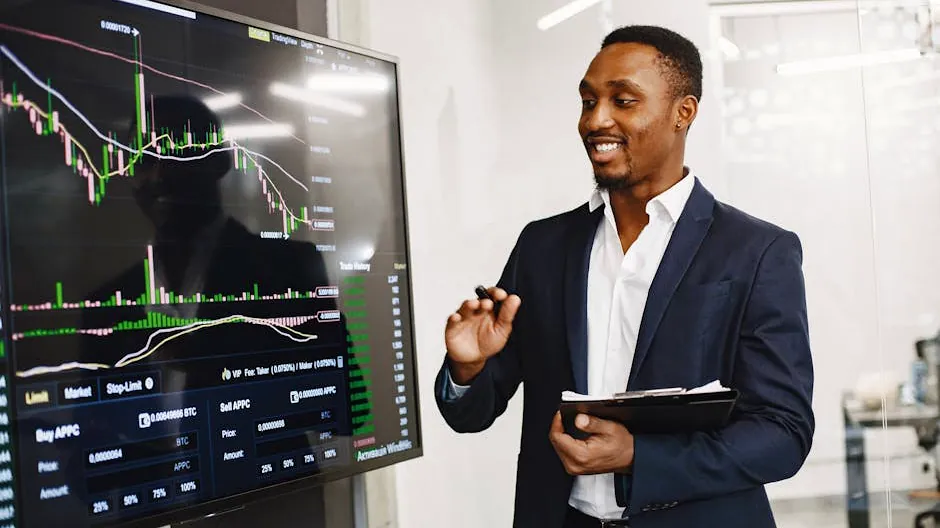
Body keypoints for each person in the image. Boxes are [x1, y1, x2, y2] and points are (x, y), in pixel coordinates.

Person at [435, 25, 814, 528]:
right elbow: (472, 413)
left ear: (684, 113)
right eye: (587, 101)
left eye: (623, 100)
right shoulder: (543, 247)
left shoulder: (758, 251)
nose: (596, 120)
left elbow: (782, 433)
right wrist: (467, 368)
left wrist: (639, 456)